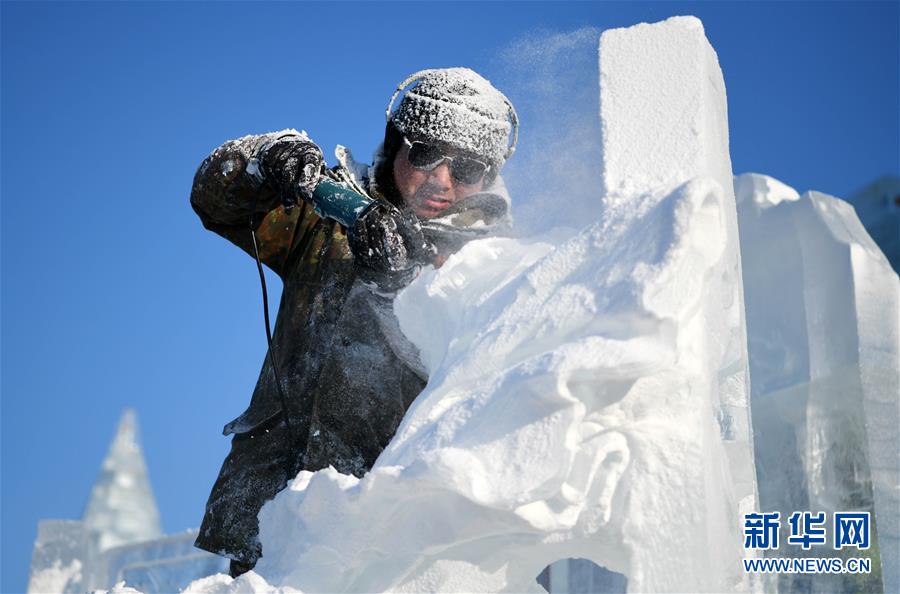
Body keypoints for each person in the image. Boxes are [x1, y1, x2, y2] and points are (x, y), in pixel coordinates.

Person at [190, 67, 518, 577]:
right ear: (396, 145)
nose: (442, 181)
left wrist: (398, 290)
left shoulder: (499, 265)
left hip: (389, 537)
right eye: (427, 155)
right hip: (272, 513)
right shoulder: (328, 223)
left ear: (490, 176)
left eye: (468, 168)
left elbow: (481, 380)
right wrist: (263, 159)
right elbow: (215, 200)